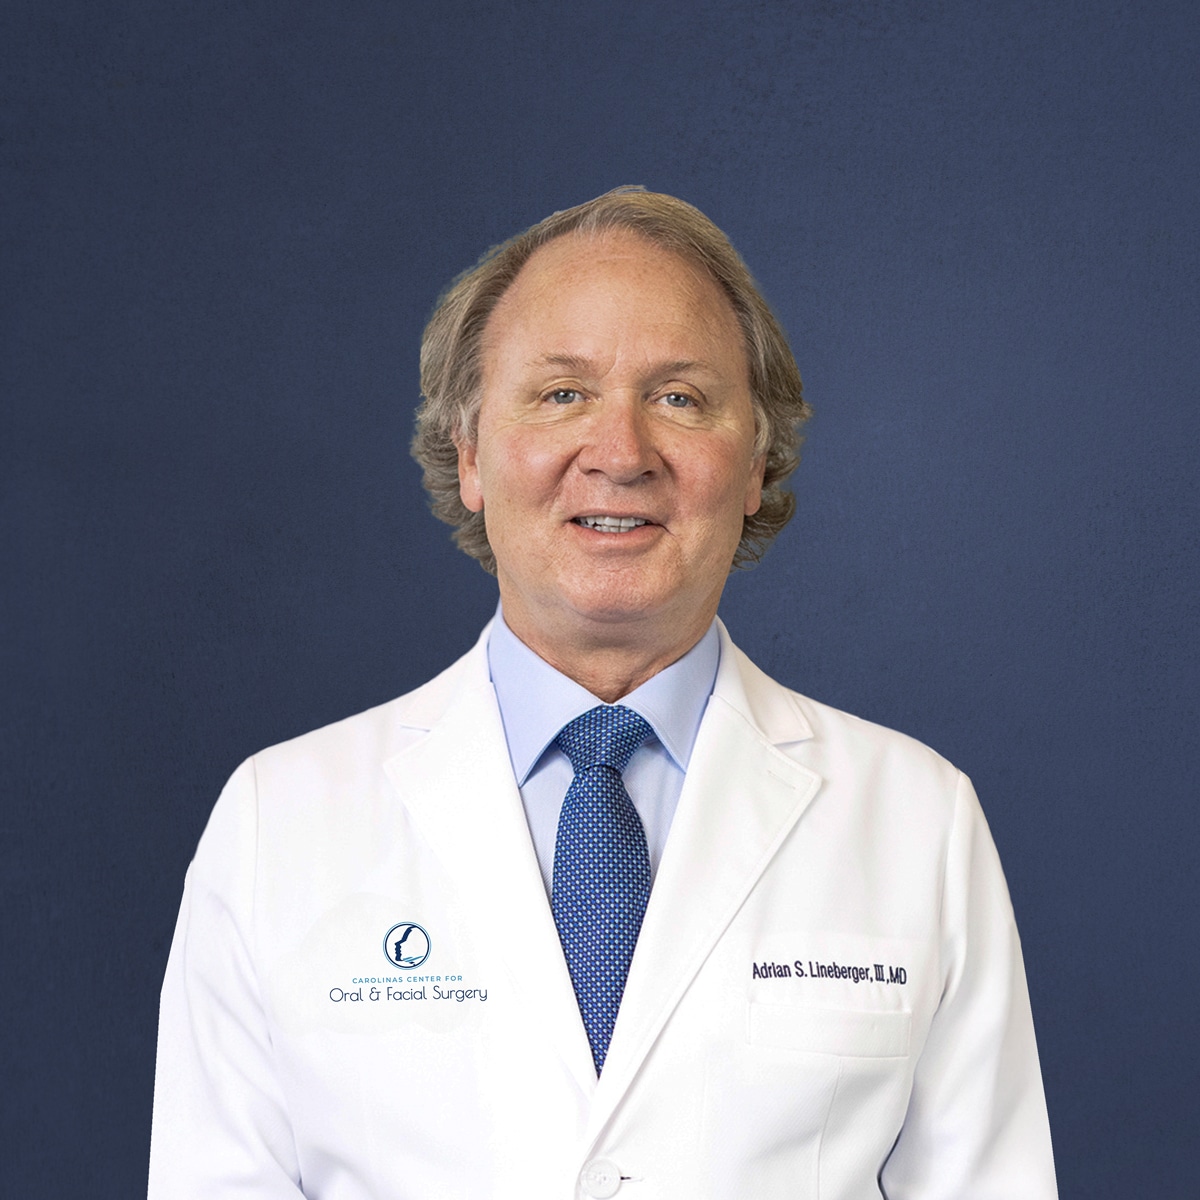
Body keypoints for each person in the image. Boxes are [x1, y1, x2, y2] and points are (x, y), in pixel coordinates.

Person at [149, 187, 1057, 1198]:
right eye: (560, 394)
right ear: (471, 455)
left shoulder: (917, 818)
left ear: (755, 461)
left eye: (680, 398)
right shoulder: (280, 820)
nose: (621, 455)